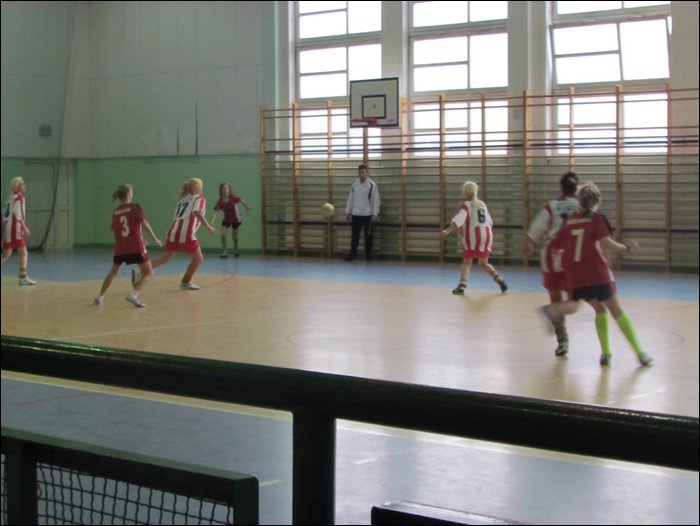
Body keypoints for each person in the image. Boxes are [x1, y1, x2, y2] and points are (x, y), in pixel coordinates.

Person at [539, 181, 653, 367]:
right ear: (597, 201)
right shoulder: (597, 219)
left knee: (599, 309)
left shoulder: (569, 222)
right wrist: (627, 248)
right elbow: (607, 242)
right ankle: (640, 353)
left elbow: (557, 246)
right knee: (617, 311)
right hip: (597, 273)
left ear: (579, 201)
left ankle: (605, 353)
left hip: (577, 276)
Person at [523, 171, 580, 356]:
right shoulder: (582, 206)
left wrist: (529, 243)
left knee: (555, 298)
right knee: (573, 300)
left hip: (551, 254)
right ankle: (553, 313)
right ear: (577, 188)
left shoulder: (551, 206)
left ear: (560, 187)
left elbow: (536, 228)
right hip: (573, 256)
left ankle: (562, 340)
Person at [137, 178, 215, 291]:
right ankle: (185, 282)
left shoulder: (182, 201)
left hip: (173, 231)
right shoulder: (200, 199)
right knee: (198, 259)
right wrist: (208, 226)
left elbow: (177, 218)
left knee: (165, 258)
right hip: (186, 233)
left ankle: (141, 270)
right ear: (198, 188)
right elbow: (196, 212)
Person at [94, 185, 162, 308]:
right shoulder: (134, 208)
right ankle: (133, 294)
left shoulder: (116, 212)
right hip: (136, 247)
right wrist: (155, 239)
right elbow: (144, 224)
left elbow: (115, 228)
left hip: (120, 247)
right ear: (128, 194)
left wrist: (138, 238)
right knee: (149, 273)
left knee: (113, 272)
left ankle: (100, 296)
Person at [440, 181, 507, 294]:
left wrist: (447, 231)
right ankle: (500, 280)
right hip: (487, 235)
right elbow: (490, 222)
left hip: (473, 236)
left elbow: (458, 220)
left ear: (466, 192)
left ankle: (462, 286)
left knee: (467, 262)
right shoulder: (482, 204)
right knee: (483, 263)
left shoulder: (466, 205)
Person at [1, 177, 37, 285]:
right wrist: (25, 228)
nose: (24, 185)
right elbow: (18, 215)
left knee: (6, 254)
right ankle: (23, 278)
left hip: (7, 229)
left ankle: (23, 278)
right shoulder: (19, 198)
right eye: (21, 183)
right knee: (23, 252)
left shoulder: (10, 199)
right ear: (17, 187)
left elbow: (4, 216)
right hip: (15, 230)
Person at [345, 164, 380, 261]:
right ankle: (352, 255)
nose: (361, 174)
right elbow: (350, 199)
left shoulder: (372, 185)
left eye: (363, 172)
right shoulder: (354, 184)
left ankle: (368, 256)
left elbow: (376, 200)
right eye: (359, 172)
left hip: (368, 215)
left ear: (367, 173)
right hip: (356, 214)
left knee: (368, 237)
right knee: (354, 237)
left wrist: (375, 214)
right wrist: (348, 211)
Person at [210, 182, 251, 258]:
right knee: (223, 235)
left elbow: (241, 200)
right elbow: (216, 212)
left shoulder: (233, 198)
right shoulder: (220, 201)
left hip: (235, 219)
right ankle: (225, 251)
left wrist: (247, 207)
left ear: (229, 190)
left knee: (234, 237)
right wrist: (212, 222)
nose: (225, 190)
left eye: (227, 188)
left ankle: (236, 249)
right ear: (221, 190)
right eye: (224, 188)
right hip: (226, 219)